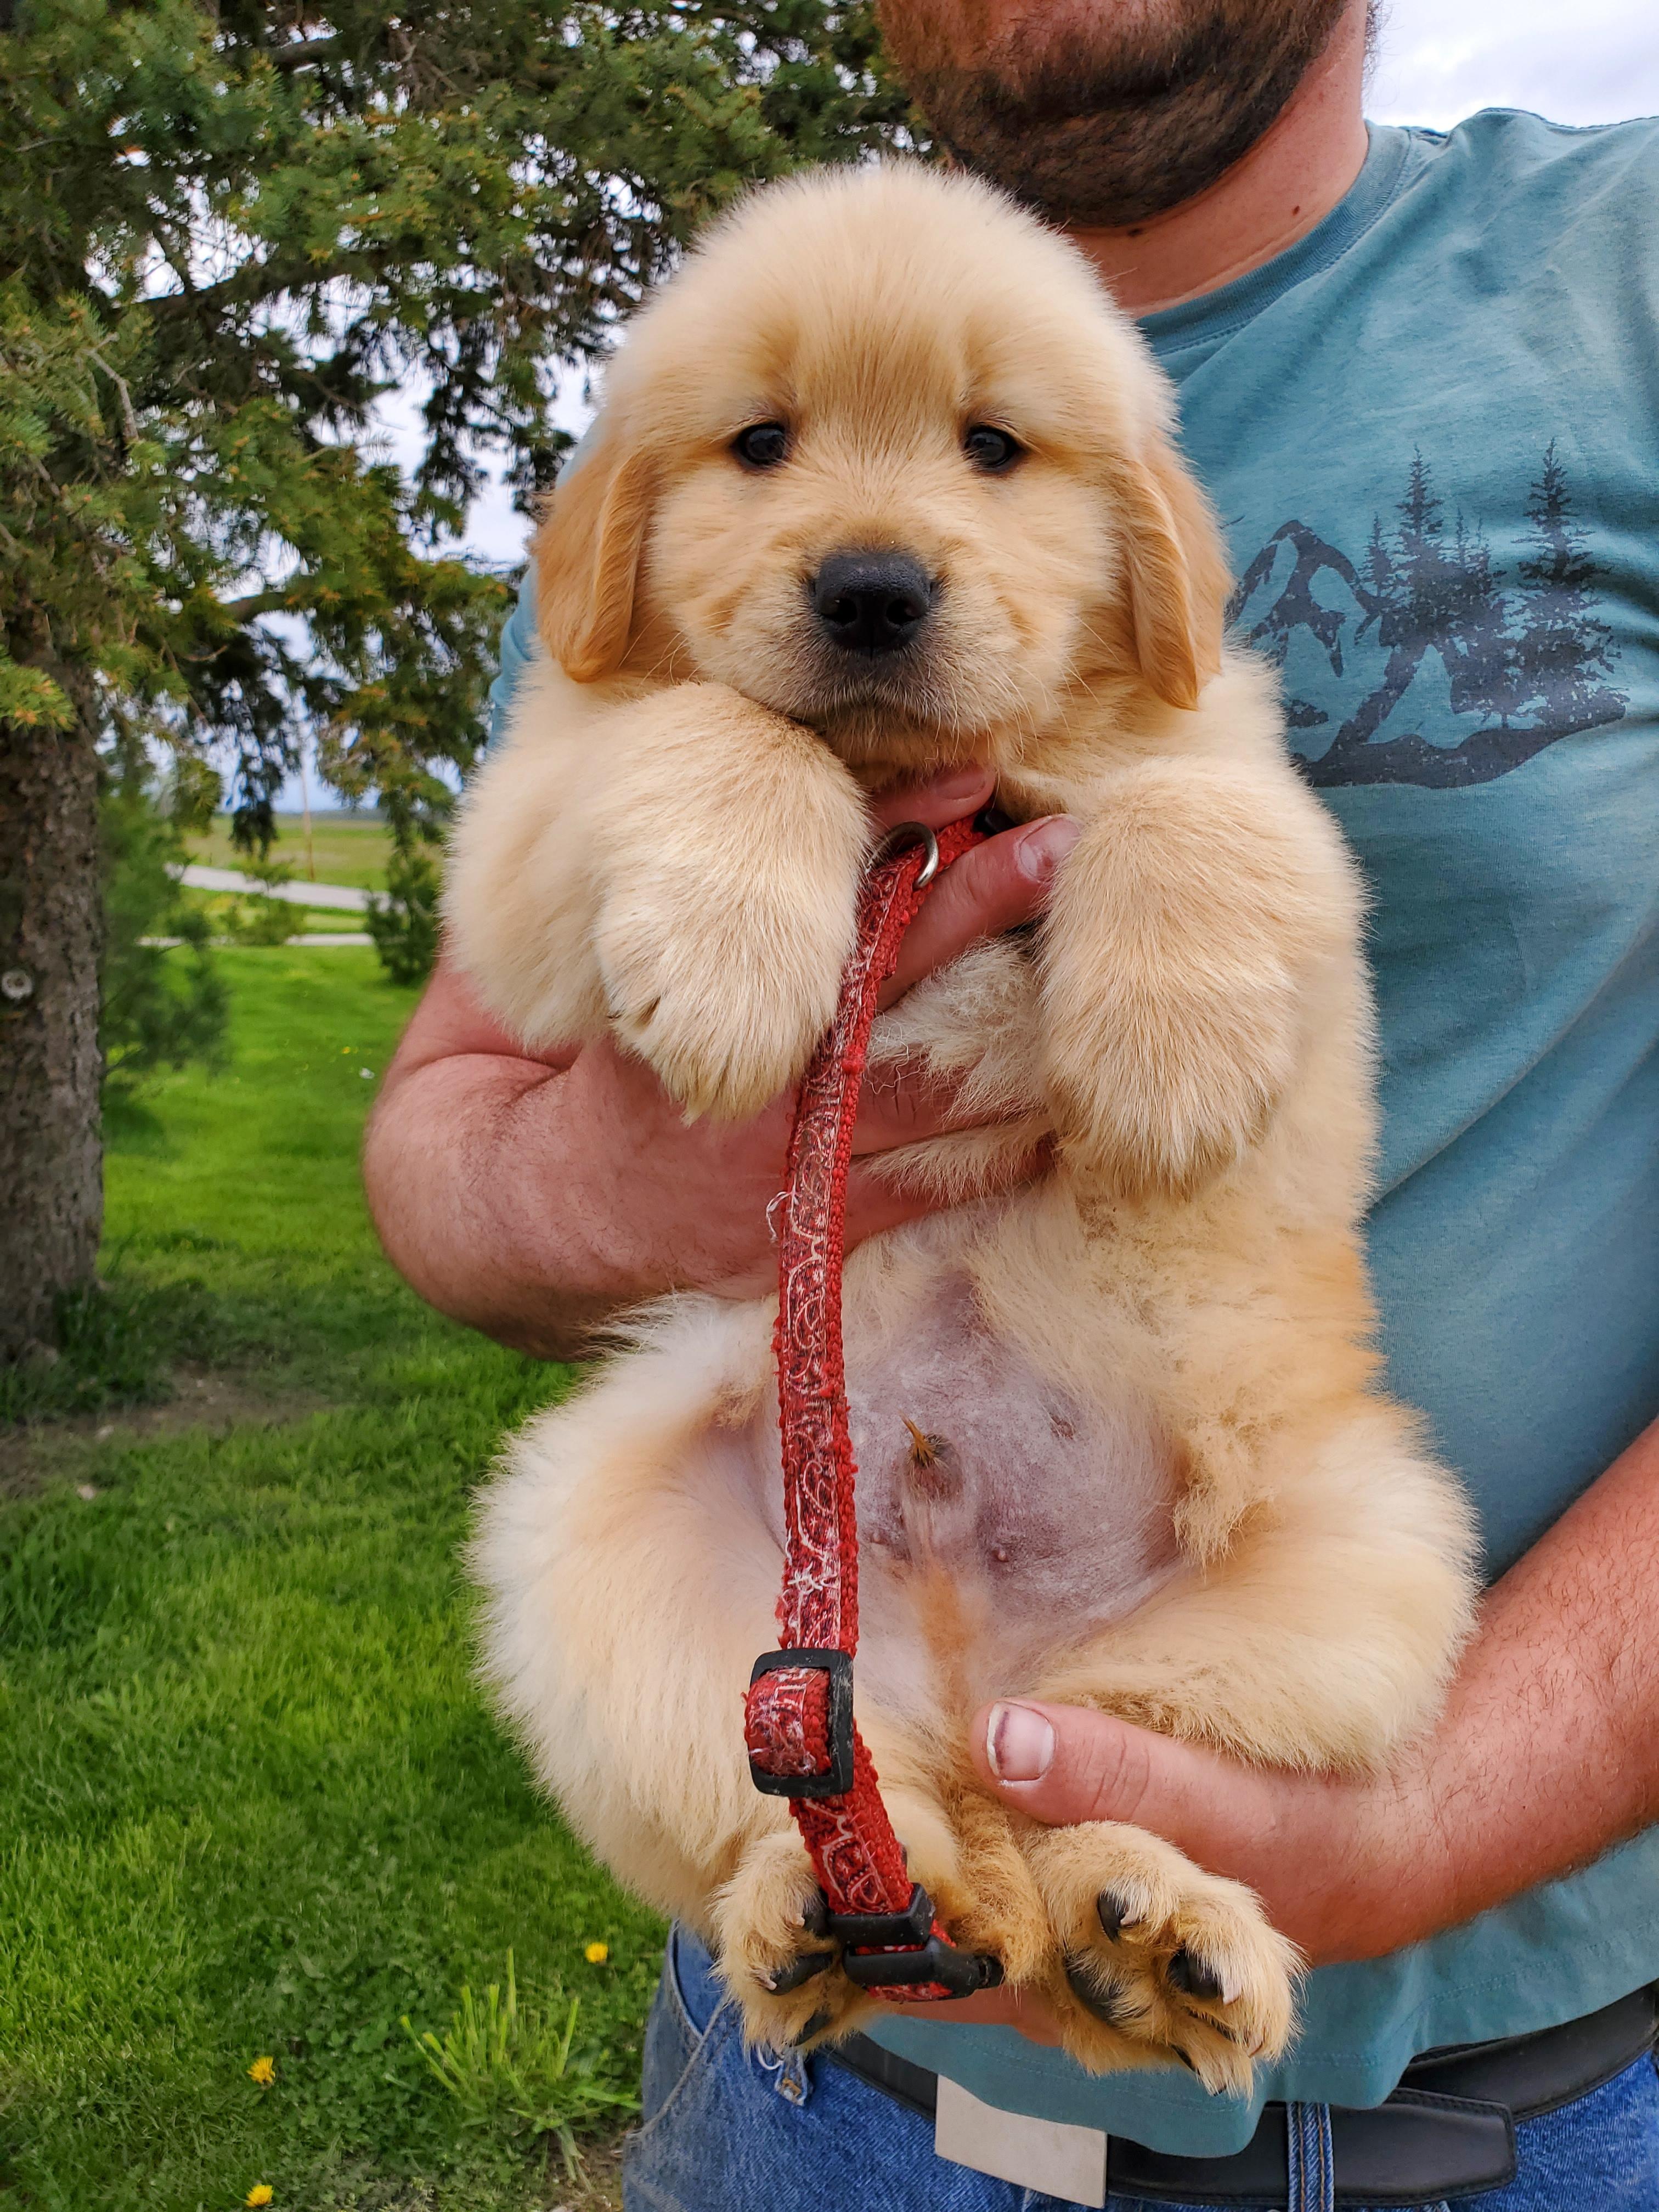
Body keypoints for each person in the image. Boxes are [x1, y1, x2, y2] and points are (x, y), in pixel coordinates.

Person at [363, 1, 1659, 2203]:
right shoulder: (652, 648)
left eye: (987, 447)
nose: (868, 548)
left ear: (1151, 541)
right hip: (834, 2062)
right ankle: (834, 1847)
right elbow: (485, 1038)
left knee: (1357, 1571)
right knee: (592, 1546)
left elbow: (1210, 806)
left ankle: (1109, 1873)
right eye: (760, 447)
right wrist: (606, 1155)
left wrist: (1423, 1827)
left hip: (1515, 2050)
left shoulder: (1607, 277)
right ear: (628, 523)